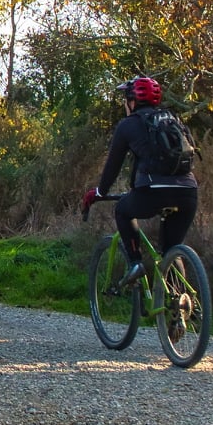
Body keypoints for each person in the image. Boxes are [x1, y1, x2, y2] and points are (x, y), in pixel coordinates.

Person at [81, 76, 198, 295]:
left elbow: (113, 165)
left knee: (123, 210)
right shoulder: (174, 118)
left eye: (126, 99)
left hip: (152, 192)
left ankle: (135, 263)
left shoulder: (128, 124)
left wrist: (99, 192)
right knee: (170, 248)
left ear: (131, 101)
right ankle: (177, 309)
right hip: (188, 191)